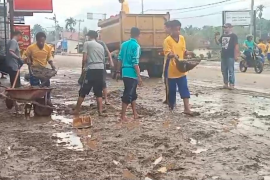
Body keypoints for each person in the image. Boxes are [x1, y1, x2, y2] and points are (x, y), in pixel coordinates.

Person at [163, 20, 198, 116]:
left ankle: (187, 108)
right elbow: (167, 53)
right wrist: (172, 55)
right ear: (171, 30)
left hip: (181, 69)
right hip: (170, 70)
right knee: (172, 91)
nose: (177, 32)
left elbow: (184, 51)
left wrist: (189, 52)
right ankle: (171, 109)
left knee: (184, 88)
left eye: (179, 29)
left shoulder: (182, 38)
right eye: (175, 30)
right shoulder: (167, 40)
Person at [73, 30, 106, 116]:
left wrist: (82, 68)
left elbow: (84, 59)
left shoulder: (87, 43)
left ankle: (76, 110)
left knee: (83, 91)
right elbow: (103, 60)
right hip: (100, 69)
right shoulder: (101, 46)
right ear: (96, 37)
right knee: (98, 91)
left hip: (91, 69)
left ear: (90, 36)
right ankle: (100, 112)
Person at [117, 27, 142, 122]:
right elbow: (135, 62)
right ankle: (122, 116)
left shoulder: (123, 45)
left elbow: (119, 59)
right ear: (139, 35)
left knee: (133, 93)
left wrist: (118, 71)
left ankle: (135, 113)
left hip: (124, 72)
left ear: (130, 34)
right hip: (132, 73)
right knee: (128, 94)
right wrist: (139, 76)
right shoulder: (136, 46)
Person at [23, 32, 56, 105]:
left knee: (46, 85)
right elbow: (25, 55)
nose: (41, 43)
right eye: (40, 41)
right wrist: (26, 59)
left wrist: (52, 65)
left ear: (45, 40)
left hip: (43, 70)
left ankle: (47, 99)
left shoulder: (48, 47)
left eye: (43, 41)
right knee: (35, 87)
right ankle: (35, 102)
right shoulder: (31, 48)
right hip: (34, 69)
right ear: (36, 40)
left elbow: (49, 57)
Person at [215, 23, 239, 90]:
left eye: (226, 27)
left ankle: (232, 84)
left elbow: (236, 46)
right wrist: (216, 37)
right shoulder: (223, 36)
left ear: (230, 28)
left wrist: (236, 55)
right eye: (224, 27)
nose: (225, 29)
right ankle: (225, 83)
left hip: (230, 55)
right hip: (223, 55)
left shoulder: (234, 36)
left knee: (231, 70)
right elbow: (218, 43)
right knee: (224, 70)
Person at [94, 31, 114, 105]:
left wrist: (111, 61)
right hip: (95, 66)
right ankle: (100, 99)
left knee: (102, 83)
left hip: (100, 65)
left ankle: (105, 99)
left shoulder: (101, 43)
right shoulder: (89, 44)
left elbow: (108, 52)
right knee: (98, 83)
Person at [162, 20, 172, 104]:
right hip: (170, 63)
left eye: (165, 27)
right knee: (167, 82)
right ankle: (168, 99)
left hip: (169, 64)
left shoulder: (167, 40)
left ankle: (169, 99)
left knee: (168, 81)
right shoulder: (168, 39)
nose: (164, 29)